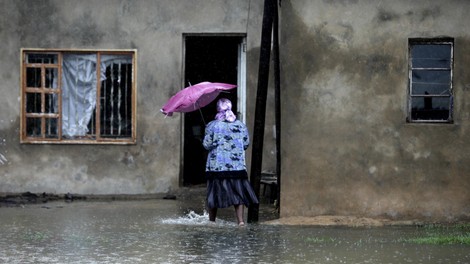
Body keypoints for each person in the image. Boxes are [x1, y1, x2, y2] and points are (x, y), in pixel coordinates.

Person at [202, 98, 259, 226]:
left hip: (217, 166)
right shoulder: (240, 125)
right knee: (238, 193)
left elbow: (206, 145)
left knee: (214, 194)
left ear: (218, 109)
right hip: (236, 166)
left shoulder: (212, 125)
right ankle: (241, 221)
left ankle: (212, 221)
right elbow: (245, 144)